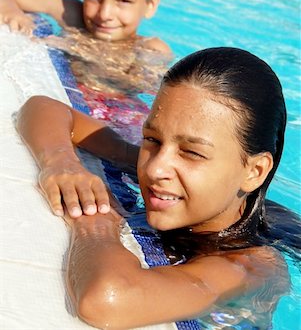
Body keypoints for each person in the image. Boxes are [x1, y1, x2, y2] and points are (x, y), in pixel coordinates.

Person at [16, 47, 293, 329]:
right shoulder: (164, 168)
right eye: (152, 138)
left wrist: (98, 219)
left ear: (254, 171)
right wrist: (61, 163)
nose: (154, 169)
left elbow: (108, 300)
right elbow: (44, 107)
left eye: (192, 153)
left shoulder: (252, 266)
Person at [0, 0, 173, 142]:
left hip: (120, 118)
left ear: (151, 3)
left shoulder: (151, 49)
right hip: (67, 106)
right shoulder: (73, 16)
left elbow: (156, 94)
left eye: (123, 1)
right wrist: (6, 3)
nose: (104, 14)